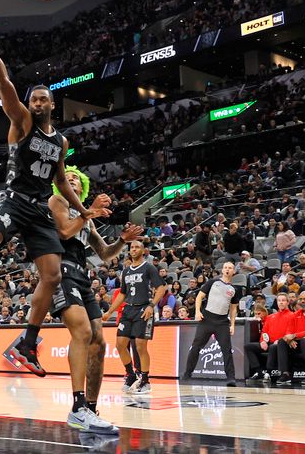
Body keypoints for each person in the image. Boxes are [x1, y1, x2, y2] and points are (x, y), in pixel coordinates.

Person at [0, 12, 110, 375]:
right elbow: (4, 84)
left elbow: (60, 182)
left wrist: (84, 211)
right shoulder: (23, 123)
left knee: (53, 276)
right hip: (14, 200)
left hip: (40, 210)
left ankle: (28, 343)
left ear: (53, 105)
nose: (39, 104)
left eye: (44, 100)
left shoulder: (60, 141)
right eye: (35, 100)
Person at [49, 165, 142, 434]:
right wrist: (89, 209)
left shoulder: (86, 219)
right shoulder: (57, 201)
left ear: (84, 186)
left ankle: (90, 408)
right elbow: (65, 232)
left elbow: (104, 253)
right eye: (68, 178)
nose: (73, 180)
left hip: (82, 274)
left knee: (99, 341)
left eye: (77, 178)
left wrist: (123, 241)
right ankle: (77, 407)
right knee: (83, 331)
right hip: (60, 269)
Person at [103, 240, 167, 394]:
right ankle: (131, 375)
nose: (134, 249)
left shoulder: (148, 267)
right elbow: (122, 294)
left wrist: (152, 306)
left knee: (140, 346)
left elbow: (162, 288)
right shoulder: (125, 271)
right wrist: (109, 311)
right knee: (120, 344)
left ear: (143, 250)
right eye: (132, 247)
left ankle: (145, 380)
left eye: (137, 247)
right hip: (128, 310)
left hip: (143, 309)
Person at [182, 262, 242, 386]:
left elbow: (233, 309)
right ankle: (187, 374)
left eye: (230, 268)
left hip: (222, 322)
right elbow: (199, 297)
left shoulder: (235, 289)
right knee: (195, 347)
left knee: (227, 350)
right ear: (222, 270)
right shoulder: (212, 282)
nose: (227, 269)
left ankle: (231, 378)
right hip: (207, 319)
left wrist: (232, 325)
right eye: (225, 267)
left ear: (233, 272)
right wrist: (197, 312)